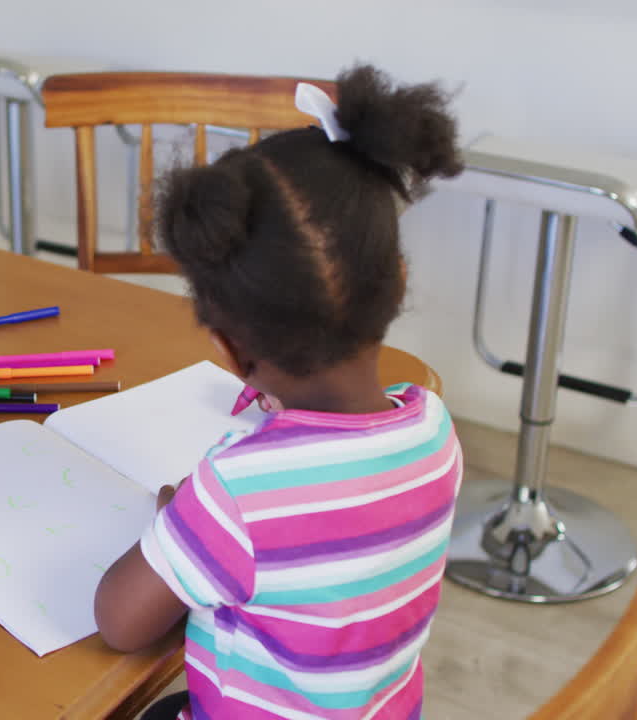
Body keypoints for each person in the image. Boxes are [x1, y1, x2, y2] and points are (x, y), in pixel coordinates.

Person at [94, 65, 466, 720]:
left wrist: (178, 525)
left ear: (229, 348)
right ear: (398, 282)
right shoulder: (435, 428)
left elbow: (119, 623)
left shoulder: (236, 495)